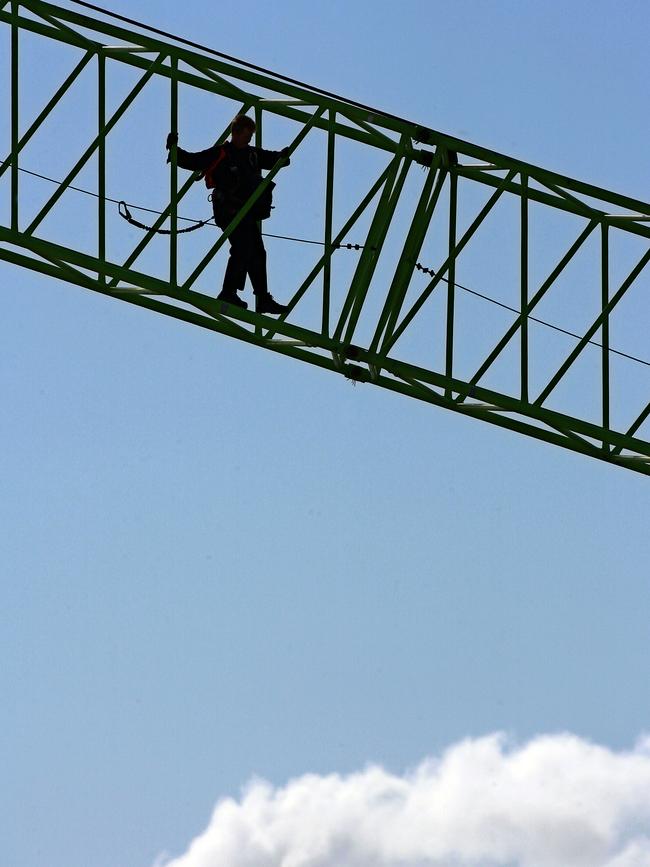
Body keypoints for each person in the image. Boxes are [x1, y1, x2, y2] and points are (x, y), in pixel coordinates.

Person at [166, 114, 290, 314]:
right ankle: (228, 293)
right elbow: (193, 160)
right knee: (242, 247)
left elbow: (272, 158)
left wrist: (282, 157)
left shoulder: (252, 154)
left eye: (251, 137)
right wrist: (174, 150)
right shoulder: (222, 153)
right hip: (228, 210)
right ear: (236, 133)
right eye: (247, 136)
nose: (249, 140)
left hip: (245, 212)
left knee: (257, 251)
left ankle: (262, 298)